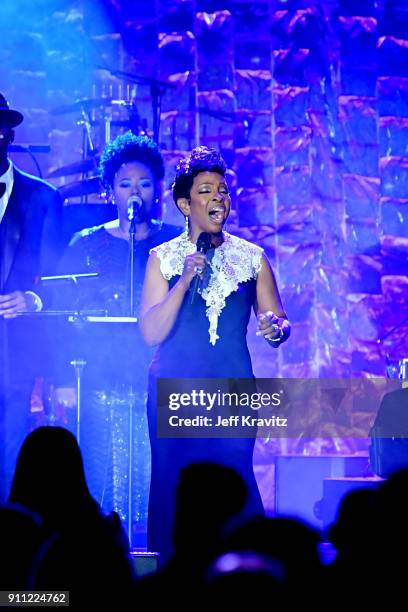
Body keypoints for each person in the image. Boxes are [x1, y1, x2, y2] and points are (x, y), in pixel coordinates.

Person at [140, 145, 290, 561]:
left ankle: (242, 583)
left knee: (232, 485)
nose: (218, 198)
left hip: (232, 391)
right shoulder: (163, 259)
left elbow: (279, 321)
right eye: (206, 191)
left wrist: (274, 329)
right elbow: (151, 332)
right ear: (185, 204)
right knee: (174, 487)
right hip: (174, 393)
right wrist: (185, 277)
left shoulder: (251, 258)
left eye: (223, 190)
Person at [53, 131, 181, 545]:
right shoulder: (85, 244)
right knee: (100, 479)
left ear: (156, 189)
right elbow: (64, 318)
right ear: (111, 191)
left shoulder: (174, 243)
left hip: (158, 381)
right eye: (126, 184)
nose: (135, 193)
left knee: (153, 482)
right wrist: (60, 379)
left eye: (144, 184)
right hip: (99, 380)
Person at [0, 93, 63, 500]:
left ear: (6, 133)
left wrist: (33, 299)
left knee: (8, 463)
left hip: (14, 355)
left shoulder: (42, 198)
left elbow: (63, 275)